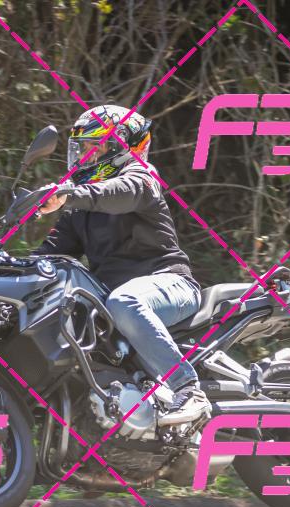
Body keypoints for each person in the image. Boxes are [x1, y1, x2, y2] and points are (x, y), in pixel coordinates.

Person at [31, 104, 209, 423]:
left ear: (122, 147)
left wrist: (69, 194)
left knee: (124, 300)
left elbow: (117, 193)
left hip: (170, 283)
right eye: (83, 147)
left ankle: (187, 388)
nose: (86, 155)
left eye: (96, 146)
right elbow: (47, 257)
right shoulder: (79, 210)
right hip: (115, 303)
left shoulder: (141, 179)